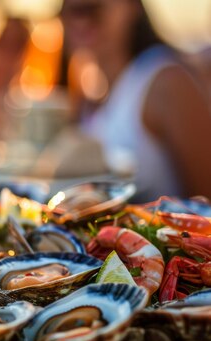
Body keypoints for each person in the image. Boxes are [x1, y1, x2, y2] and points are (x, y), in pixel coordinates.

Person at [61, 0, 211, 200]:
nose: (80, 22)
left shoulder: (164, 80)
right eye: (70, 12)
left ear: (132, 8)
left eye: (93, 9)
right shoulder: (90, 92)